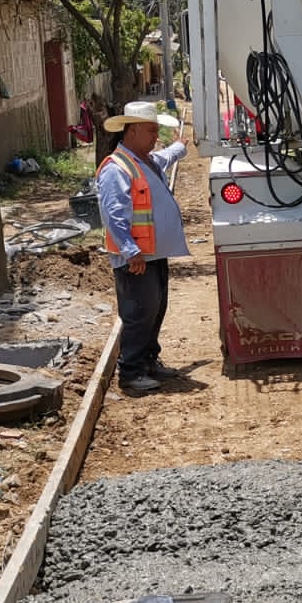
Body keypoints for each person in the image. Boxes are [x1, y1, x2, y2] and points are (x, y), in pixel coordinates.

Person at [96, 101, 189, 394]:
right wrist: (130, 251)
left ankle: (148, 361)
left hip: (152, 254)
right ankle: (131, 372)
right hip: (135, 258)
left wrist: (180, 147)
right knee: (139, 313)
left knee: (156, 308)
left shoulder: (144, 161)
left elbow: (166, 156)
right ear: (133, 130)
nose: (156, 136)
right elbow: (113, 213)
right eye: (151, 130)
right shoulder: (117, 168)